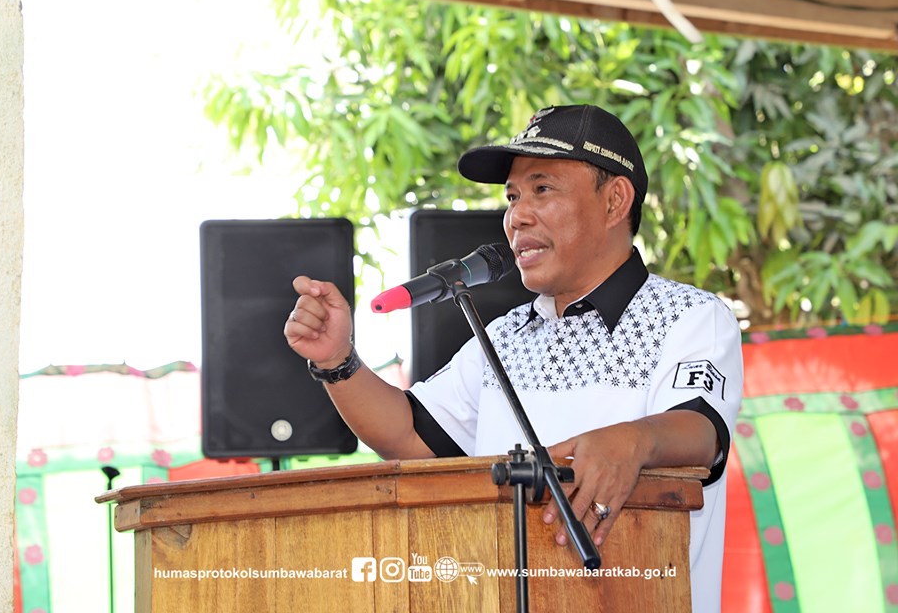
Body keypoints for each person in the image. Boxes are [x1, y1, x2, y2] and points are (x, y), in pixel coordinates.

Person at [284, 104, 743, 612]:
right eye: (512, 197)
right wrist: (337, 360)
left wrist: (634, 441)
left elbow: (702, 432)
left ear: (615, 201)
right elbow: (410, 436)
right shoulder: (504, 336)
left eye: (542, 189)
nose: (516, 216)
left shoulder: (688, 316)